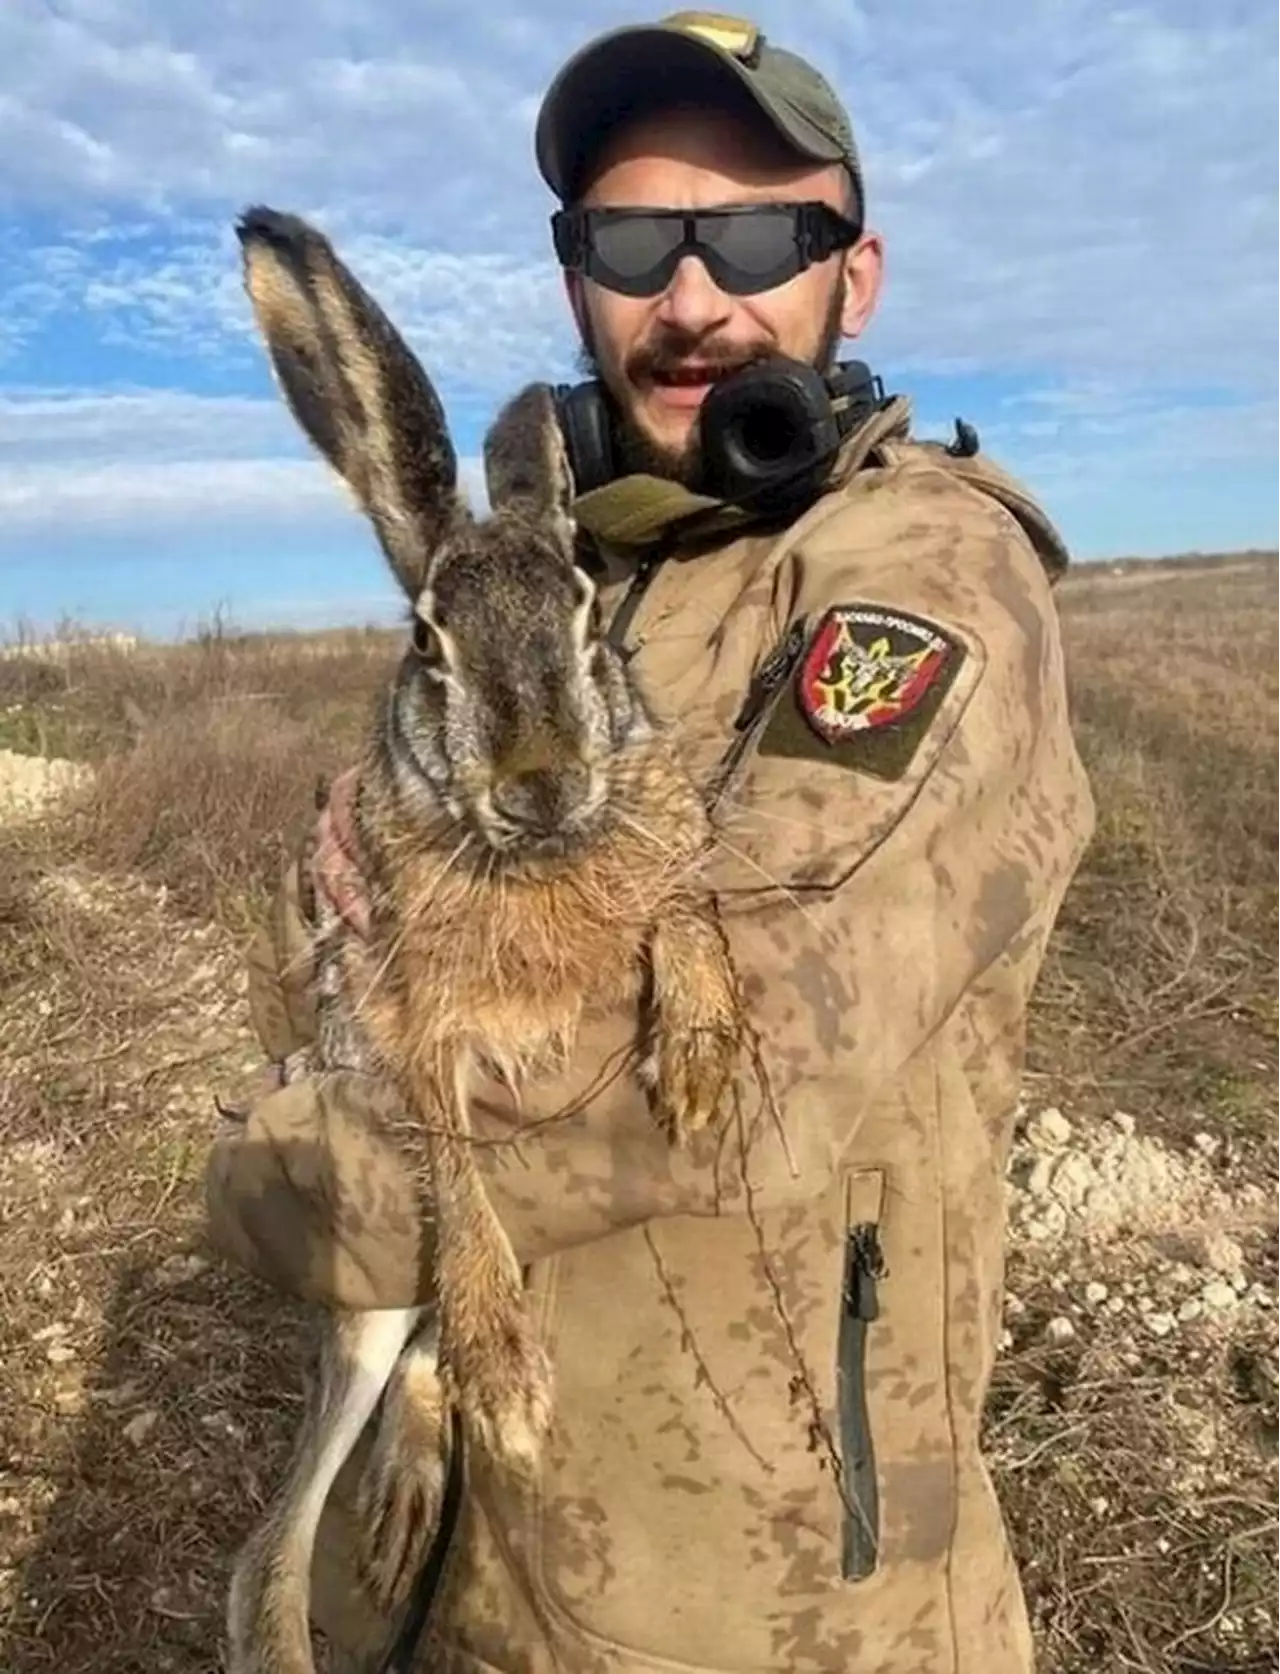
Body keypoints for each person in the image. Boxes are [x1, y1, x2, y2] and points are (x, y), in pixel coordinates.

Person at [204, 12, 1095, 1673]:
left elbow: (739, 1066)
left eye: (759, 234)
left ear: (859, 273)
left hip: (761, 1610)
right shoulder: (598, 573)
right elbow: (378, 928)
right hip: (483, 1573)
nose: (692, 299)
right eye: (633, 241)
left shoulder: (916, 577)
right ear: (577, 281)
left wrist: (274, 1171)